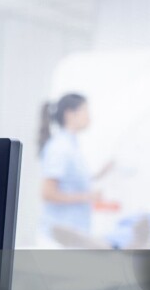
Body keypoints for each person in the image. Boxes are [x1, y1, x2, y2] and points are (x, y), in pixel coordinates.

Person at [38, 93, 111, 243]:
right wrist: (88, 196)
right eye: (85, 110)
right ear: (70, 114)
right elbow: (48, 193)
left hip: (74, 234)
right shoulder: (60, 147)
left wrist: (103, 172)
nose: (89, 116)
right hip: (59, 238)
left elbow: (72, 181)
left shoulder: (72, 145)